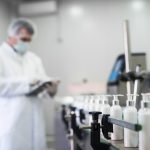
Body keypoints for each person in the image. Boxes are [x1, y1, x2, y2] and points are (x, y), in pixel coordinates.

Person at [0, 18, 58, 150]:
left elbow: (42, 83)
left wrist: (51, 90)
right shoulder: (1, 56)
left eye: (29, 40)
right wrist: (27, 83)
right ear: (11, 36)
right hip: (11, 122)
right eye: (23, 39)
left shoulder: (34, 59)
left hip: (35, 122)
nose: (26, 43)